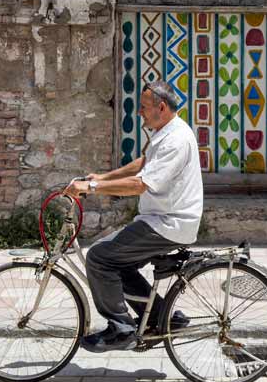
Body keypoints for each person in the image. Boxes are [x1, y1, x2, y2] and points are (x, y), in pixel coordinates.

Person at [63, 80, 204, 352]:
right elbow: (144, 164)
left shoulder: (175, 139)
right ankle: (163, 317)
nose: (139, 112)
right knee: (118, 262)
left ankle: (121, 328)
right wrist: (104, 177)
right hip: (160, 219)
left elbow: (141, 183)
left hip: (169, 223)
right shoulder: (167, 132)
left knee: (99, 257)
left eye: (144, 107)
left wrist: (92, 187)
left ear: (161, 108)